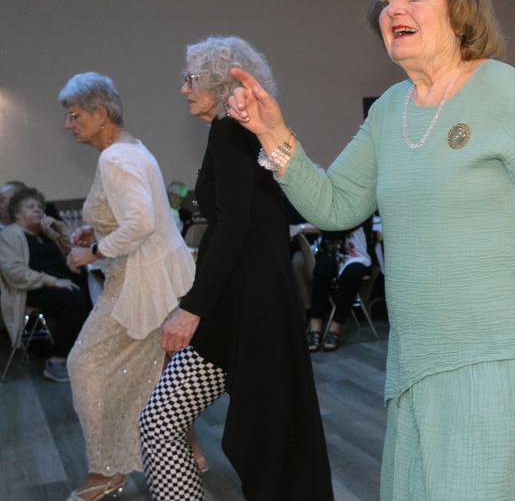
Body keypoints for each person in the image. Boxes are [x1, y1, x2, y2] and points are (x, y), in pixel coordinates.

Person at [229, 0, 515, 500]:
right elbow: (336, 203)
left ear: (459, 13)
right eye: (388, 0)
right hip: (418, 362)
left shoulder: (503, 92)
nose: (394, 10)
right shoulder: (391, 111)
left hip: (500, 358)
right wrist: (272, 134)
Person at [139, 36, 333, 501]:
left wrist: (191, 308)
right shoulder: (241, 135)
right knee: (270, 438)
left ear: (218, 82)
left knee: (159, 422)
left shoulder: (230, 132)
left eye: (191, 79)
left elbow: (233, 227)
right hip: (250, 306)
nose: (183, 88)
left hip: (240, 312)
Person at [59, 72, 195, 501]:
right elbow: (139, 216)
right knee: (155, 372)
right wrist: (93, 232)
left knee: (85, 364)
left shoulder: (114, 158)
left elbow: (141, 221)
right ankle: (184, 452)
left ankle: (107, 469)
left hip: (141, 282)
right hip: (158, 276)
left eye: (75, 114)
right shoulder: (132, 149)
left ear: (101, 114)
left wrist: (92, 251)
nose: (69, 124)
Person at [0, 187, 91, 381]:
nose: (38, 210)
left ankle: (83, 354)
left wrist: (58, 227)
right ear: (17, 212)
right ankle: (57, 360)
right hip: (31, 288)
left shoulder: (45, 233)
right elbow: (15, 273)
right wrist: (54, 281)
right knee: (72, 300)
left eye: (40, 207)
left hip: (61, 282)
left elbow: (74, 250)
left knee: (91, 287)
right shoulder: (10, 235)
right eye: (31, 207)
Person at [306, 221, 372, 352]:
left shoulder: (361, 207)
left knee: (353, 274)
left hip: (357, 255)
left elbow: (334, 230)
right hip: (332, 252)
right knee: (322, 267)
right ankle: (315, 324)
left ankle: (337, 326)